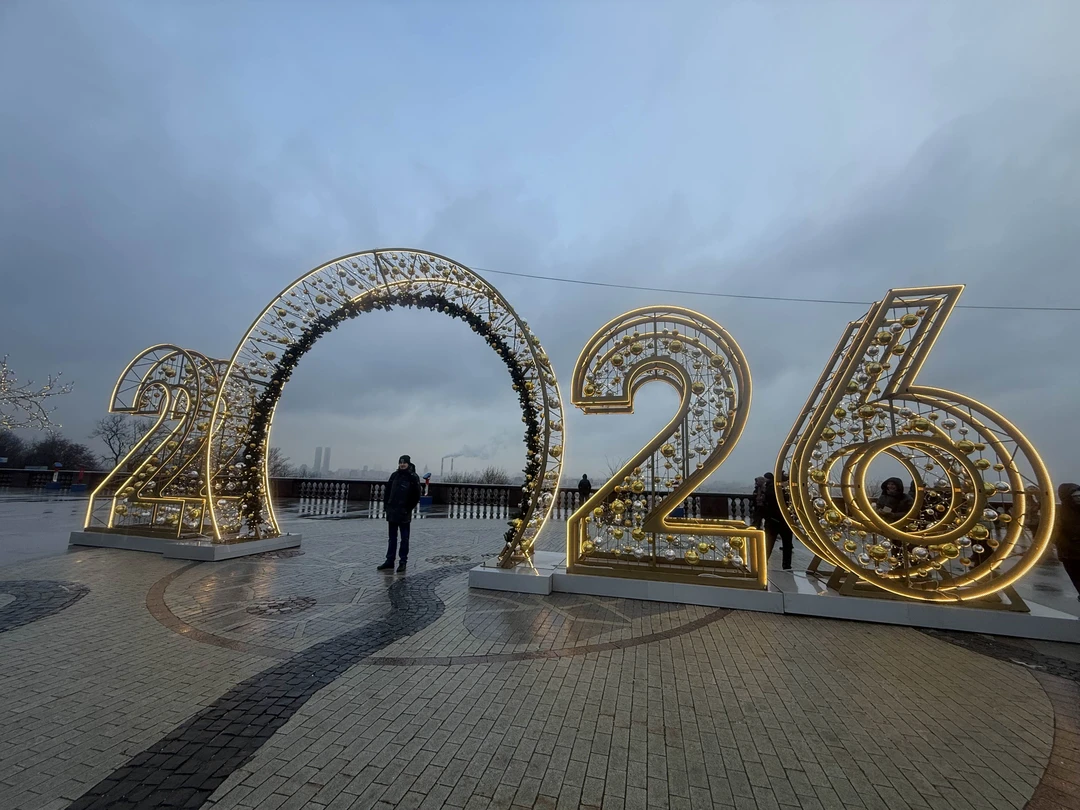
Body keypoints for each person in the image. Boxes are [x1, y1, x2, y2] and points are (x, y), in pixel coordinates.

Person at [378, 455, 421, 573]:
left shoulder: (413, 477)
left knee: (404, 538)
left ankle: (403, 562)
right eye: (400, 462)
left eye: (404, 463)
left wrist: (408, 508)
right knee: (392, 538)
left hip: (404, 512)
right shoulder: (394, 475)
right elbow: (387, 492)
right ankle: (389, 561)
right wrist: (387, 506)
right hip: (392, 511)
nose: (402, 464)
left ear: (408, 464)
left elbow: (416, 495)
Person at [1054, 482, 1080, 601]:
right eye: (1075, 496)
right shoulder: (1059, 513)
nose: (1078, 499)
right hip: (1070, 555)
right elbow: (1055, 533)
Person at [762, 472, 793, 570]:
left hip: (773, 520)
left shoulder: (771, 488)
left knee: (769, 543)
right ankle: (786, 565)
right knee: (785, 544)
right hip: (782, 520)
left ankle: (763, 562)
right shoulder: (778, 490)